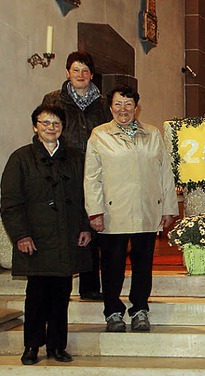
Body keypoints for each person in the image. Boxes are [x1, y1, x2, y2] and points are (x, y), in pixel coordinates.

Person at [1, 104, 92, 365]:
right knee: (37, 296)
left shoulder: (75, 158)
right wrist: (21, 236)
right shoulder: (20, 158)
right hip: (36, 240)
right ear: (35, 126)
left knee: (61, 294)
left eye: (56, 124)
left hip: (66, 237)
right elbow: (10, 202)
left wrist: (85, 226)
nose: (51, 128)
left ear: (62, 128)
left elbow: (84, 196)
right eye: (45, 123)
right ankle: (31, 345)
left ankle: (57, 346)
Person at [84, 85, 179, 332]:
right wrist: (95, 211)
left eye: (128, 104)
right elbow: (92, 177)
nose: (123, 110)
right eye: (118, 104)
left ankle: (139, 309)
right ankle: (113, 311)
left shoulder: (152, 134)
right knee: (113, 265)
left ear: (136, 108)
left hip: (146, 209)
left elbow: (164, 173)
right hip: (113, 211)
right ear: (110, 107)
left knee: (143, 264)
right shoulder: (99, 135)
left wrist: (168, 207)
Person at [42, 51, 112, 301]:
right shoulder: (54, 100)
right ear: (67, 72)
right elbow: (46, 130)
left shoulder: (104, 103)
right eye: (75, 70)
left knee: (93, 222)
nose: (80, 75)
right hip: (65, 169)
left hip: (96, 170)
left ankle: (91, 285)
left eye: (85, 71)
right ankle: (61, 281)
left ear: (92, 74)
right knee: (67, 222)